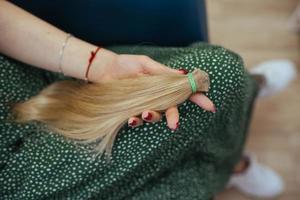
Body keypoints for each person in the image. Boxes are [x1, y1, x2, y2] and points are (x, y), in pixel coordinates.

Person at [0, 1, 296, 199]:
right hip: (23, 181)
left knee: (219, 75)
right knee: (185, 188)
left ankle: (245, 91)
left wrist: (97, 64)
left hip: (33, 73)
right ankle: (231, 165)